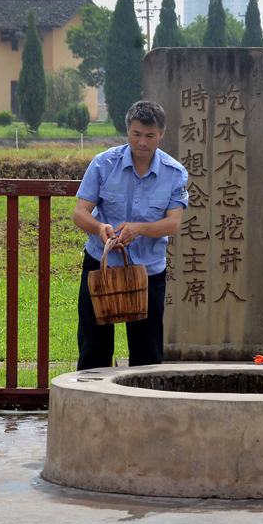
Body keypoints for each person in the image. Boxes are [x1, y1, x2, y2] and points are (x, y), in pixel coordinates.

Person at [72, 100, 188, 369]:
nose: (142, 142)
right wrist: (100, 228)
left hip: (148, 271)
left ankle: (145, 407)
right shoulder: (103, 164)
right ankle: (93, 405)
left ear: (162, 134)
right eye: (136, 134)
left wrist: (139, 229)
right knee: (94, 347)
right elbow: (80, 213)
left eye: (150, 135)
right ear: (128, 132)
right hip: (101, 267)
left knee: (147, 351)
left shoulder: (175, 173)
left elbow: (172, 224)